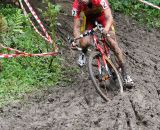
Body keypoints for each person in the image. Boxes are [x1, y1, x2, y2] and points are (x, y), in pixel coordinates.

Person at [72, 0, 134, 87]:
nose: (82, 1)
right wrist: (76, 41)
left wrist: (106, 29)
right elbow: (76, 27)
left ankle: (125, 74)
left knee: (113, 44)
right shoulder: (76, 4)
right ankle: (83, 52)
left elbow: (109, 17)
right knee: (84, 42)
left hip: (103, 18)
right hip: (89, 20)